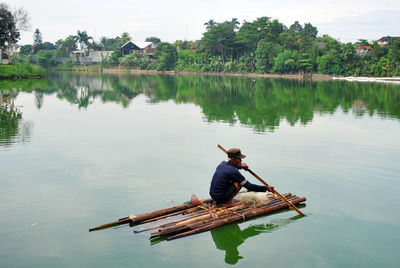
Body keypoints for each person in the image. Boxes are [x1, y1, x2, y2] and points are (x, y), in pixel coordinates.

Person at [209, 148, 274, 206]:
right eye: (239, 159)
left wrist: (240, 166)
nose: (241, 160)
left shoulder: (222, 164)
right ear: (234, 160)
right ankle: (228, 203)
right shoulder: (234, 172)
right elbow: (249, 186)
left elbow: (231, 168)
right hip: (221, 197)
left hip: (213, 195)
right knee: (239, 182)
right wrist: (266, 188)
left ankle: (221, 200)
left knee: (233, 180)